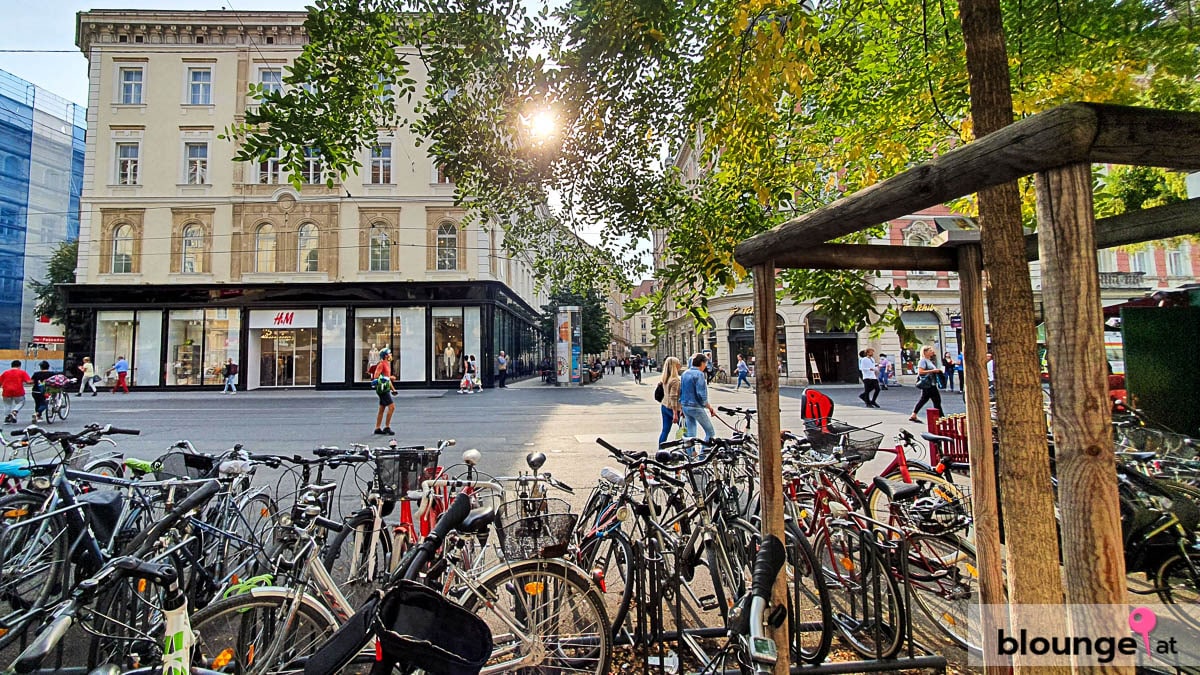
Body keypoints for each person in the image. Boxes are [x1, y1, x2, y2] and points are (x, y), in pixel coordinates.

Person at [680, 353, 717, 443]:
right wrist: (709, 407)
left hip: (685, 406)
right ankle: (702, 455)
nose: (705, 366)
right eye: (705, 363)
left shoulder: (685, 373)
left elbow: (681, 390)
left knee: (691, 434)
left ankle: (690, 454)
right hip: (696, 406)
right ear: (702, 363)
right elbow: (701, 394)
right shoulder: (699, 374)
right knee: (710, 432)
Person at [909, 345, 945, 422]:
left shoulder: (929, 361)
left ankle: (914, 414)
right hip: (928, 384)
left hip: (931, 383)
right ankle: (941, 418)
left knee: (925, 399)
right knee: (936, 401)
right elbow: (920, 372)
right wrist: (933, 371)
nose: (932, 352)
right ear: (925, 352)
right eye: (930, 350)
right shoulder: (923, 361)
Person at [658, 356, 683, 445]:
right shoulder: (675, 380)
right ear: (674, 366)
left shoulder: (665, 378)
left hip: (664, 406)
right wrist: (675, 413)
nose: (680, 365)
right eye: (678, 363)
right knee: (684, 430)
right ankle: (688, 449)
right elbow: (673, 397)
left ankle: (660, 450)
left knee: (665, 431)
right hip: (674, 408)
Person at [370, 347, 396, 434]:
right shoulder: (381, 364)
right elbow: (376, 377)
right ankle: (387, 427)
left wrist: (393, 389)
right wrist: (390, 377)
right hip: (382, 389)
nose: (391, 355)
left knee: (382, 408)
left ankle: (377, 428)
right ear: (385, 356)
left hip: (385, 388)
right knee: (392, 407)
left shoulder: (387, 364)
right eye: (390, 354)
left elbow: (387, 379)